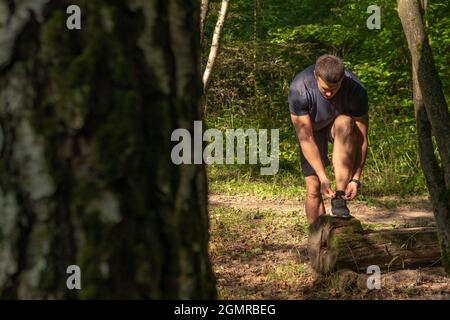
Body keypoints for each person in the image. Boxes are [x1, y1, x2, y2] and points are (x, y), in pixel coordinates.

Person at [288, 54, 369, 225]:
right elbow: (305, 137)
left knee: (345, 122)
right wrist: (323, 176)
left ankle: (339, 197)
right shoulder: (299, 88)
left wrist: (355, 178)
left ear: (342, 79)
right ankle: (316, 238)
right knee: (314, 187)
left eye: (335, 88)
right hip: (311, 131)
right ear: (316, 75)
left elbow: (361, 138)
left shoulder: (356, 89)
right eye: (325, 89)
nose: (330, 93)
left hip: (337, 126)